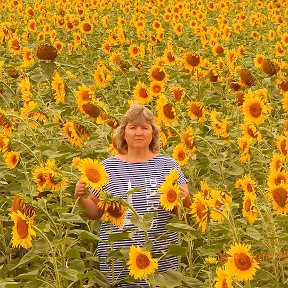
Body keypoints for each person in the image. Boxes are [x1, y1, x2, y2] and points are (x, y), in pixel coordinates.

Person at [74, 103, 192, 287]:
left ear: (153, 134)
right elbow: (95, 212)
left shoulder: (169, 165)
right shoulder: (107, 167)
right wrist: (80, 197)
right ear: (123, 133)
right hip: (118, 259)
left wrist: (183, 197)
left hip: (160, 259)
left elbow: (183, 209)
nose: (139, 133)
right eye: (133, 127)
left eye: (145, 128)